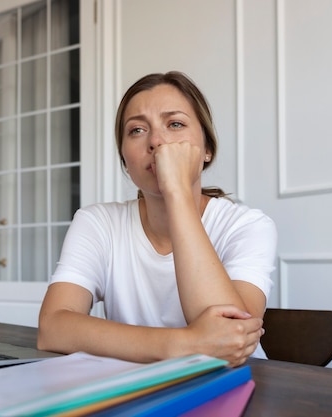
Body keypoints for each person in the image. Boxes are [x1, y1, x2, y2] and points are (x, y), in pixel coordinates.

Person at [38, 71, 277, 367]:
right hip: (137, 392)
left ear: (207, 150)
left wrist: (176, 190)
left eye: (175, 124)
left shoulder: (248, 226)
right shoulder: (96, 222)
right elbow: (53, 328)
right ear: (125, 160)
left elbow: (231, 337)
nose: (156, 141)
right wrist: (185, 344)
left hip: (231, 390)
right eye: (137, 130)